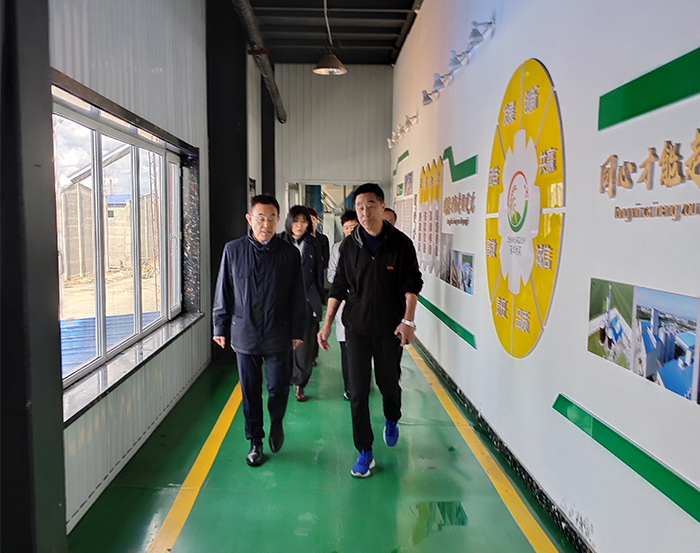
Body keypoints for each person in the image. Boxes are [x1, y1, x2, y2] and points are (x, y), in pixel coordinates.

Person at [318, 183, 423, 478]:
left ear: (382, 206)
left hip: (390, 329)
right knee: (357, 391)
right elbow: (338, 287)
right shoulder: (349, 247)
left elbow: (412, 285)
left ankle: (392, 417)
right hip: (357, 329)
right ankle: (364, 450)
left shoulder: (401, 244)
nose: (365, 212)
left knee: (389, 385)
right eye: (360, 207)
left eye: (371, 205)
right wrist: (327, 323)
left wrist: (408, 321)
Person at [213, 195, 307, 467]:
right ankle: (255, 440)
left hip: (278, 332)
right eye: (260, 218)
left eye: (271, 218)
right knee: (250, 391)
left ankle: (276, 422)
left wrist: (297, 331)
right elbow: (223, 290)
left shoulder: (289, 253)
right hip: (245, 332)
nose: (266, 224)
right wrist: (220, 325)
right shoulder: (233, 250)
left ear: (278, 220)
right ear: (249, 219)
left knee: (278, 388)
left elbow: (297, 295)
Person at [278, 205, 325, 402]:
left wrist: (319, 302)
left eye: (304, 222)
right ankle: (287, 375)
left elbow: (319, 275)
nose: (299, 225)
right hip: (282, 301)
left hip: (306, 300)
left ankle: (300, 383)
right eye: (296, 221)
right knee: (283, 342)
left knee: (305, 344)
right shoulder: (278, 242)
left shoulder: (314, 244)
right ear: (289, 221)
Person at [327, 209, 359, 400]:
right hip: (344, 303)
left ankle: (361, 384)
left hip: (362, 306)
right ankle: (349, 388)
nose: (349, 231)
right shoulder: (337, 248)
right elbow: (331, 274)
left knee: (361, 349)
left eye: (353, 227)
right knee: (346, 348)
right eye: (346, 227)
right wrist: (346, 282)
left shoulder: (367, 247)